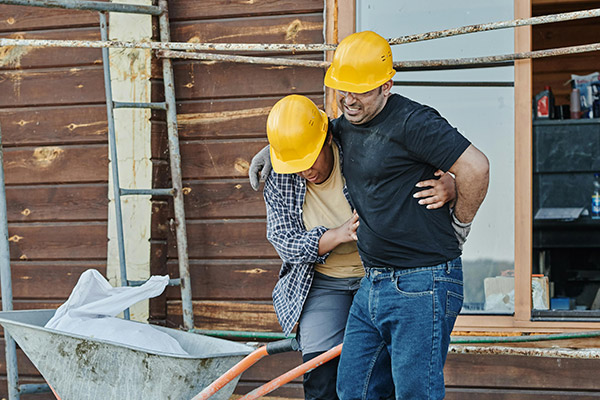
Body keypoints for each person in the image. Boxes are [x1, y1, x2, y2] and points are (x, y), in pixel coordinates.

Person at [251, 31, 489, 399]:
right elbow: (312, 131)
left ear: (386, 85)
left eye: (359, 90)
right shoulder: (346, 127)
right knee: (354, 389)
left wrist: (459, 219)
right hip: (374, 282)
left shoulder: (413, 122)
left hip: (421, 279)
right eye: (342, 90)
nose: (348, 100)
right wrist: (271, 150)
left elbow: (475, 167)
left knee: (414, 392)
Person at [260, 94, 457, 400]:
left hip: (377, 274)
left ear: (326, 140)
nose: (305, 171)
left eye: (309, 160)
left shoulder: (357, 145)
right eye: (295, 164)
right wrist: (336, 234)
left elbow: (410, 161)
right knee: (322, 375)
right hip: (323, 279)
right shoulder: (280, 176)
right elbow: (285, 243)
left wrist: (451, 183)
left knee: (384, 374)